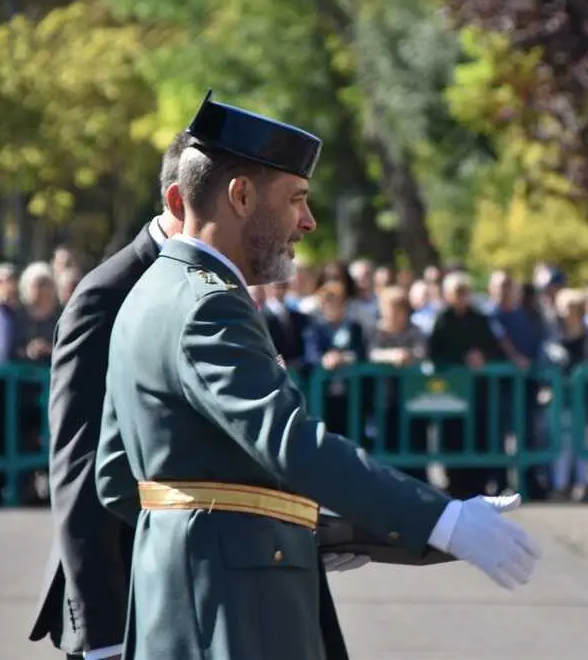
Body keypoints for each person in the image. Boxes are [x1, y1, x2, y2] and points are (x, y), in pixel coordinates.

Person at [94, 91, 541, 660]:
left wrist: (296, 523)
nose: (306, 221)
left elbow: (116, 480)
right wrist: (442, 518)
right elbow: (289, 442)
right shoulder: (209, 305)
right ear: (240, 194)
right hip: (234, 606)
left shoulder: (152, 293)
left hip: (187, 597)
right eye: (297, 199)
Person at [28, 131, 193, 660]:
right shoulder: (107, 293)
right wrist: (102, 636)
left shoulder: (206, 281)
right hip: (125, 603)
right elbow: (77, 465)